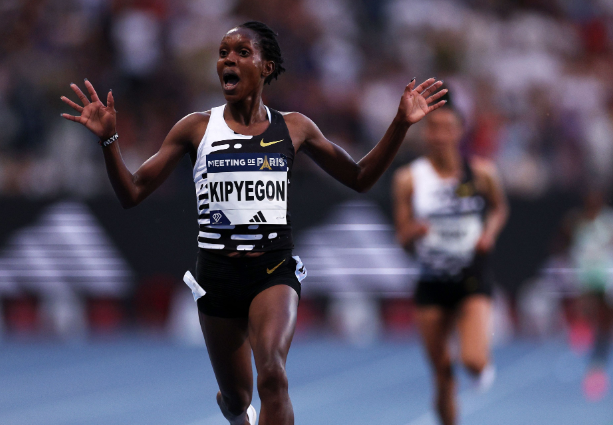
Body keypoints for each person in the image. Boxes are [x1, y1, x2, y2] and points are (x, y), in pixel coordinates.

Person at [62, 21, 446, 425]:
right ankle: (233, 408)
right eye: (224, 52)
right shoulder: (195, 128)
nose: (228, 59)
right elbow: (132, 193)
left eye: (242, 52)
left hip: (273, 272)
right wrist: (109, 141)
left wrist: (401, 123)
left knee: (274, 378)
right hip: (217, 276)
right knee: (236, 398)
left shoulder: (294, 127)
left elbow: (360, 177)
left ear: (266, 67)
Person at [392, 96, 508, 425]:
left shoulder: (482, 172)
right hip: (431, 281)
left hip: (472, 275)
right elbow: (401, 237)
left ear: (460, 132)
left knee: (471, 360)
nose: (440, 135)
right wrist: (415, 230)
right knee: (442, 375)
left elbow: (499, 208)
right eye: (434, 128)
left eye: (447, 128)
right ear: (426, 133)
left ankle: (482, 365)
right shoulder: (409, 179)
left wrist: (489, 233)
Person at [563, 189, 613, 401]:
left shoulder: (608, 222)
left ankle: (597, 366)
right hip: (584, 278)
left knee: (605, 322)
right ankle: (581, 329)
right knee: (586, 312)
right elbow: (564, 241)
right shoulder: (576, 221)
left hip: (604, 277)